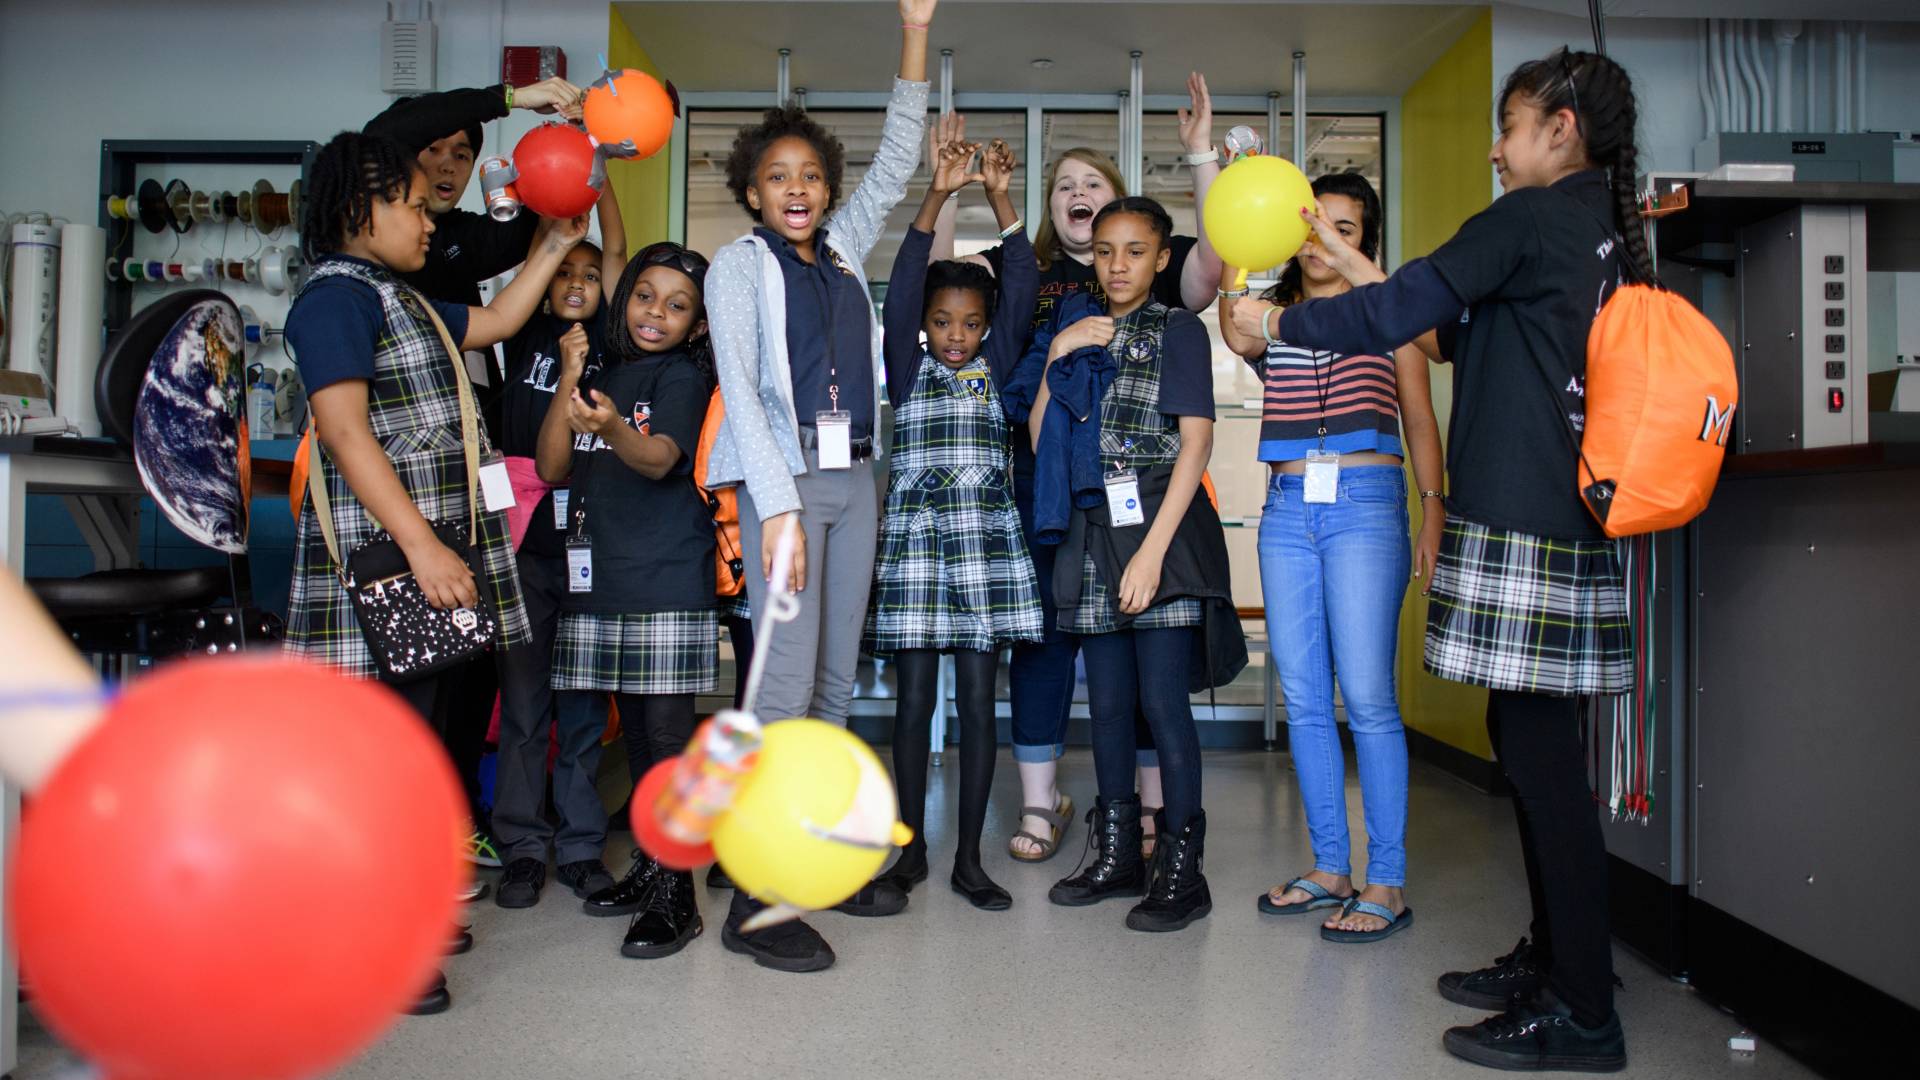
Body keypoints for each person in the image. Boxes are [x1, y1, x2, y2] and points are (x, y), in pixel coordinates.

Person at [1270, 47, 1640, 1071]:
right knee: (1531, 751)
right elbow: (1443, 333)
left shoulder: (1529, 217)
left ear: (1559, 126)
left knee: (1541, 765)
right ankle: (1560, 963)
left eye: (1511, 123)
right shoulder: (1595, 229)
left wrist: (1283, 320)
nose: (1495, 144)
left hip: (1528, 522)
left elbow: (1398, 320)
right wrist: (1357, 273)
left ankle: (1584, 1015)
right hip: (1556, 520)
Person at [283, 130, 588, 1013]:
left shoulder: (400, 295)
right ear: (357, 212)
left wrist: (557, 245)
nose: (430, 219)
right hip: (391, 564)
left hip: (430, 560)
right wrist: (421, 543)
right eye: (414, 206)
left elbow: (492, 321)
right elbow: (343, 431)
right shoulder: (337, 300)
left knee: (424, 742)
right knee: (385, 754)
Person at [702, 0, 938, 973]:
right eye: (777, 177)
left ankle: (806, 853)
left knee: (838, 681)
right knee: (783, 681)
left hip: (857, 478)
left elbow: (900, 154)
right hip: (783, 483)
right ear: (753, 192)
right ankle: (752, 888)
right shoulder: (737, 266)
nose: (797, 189)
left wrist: (915, 31)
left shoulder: (841, 250)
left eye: (811, 177)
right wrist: (782, 511)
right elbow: (747, 396)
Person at [934, 78, 1223, 864]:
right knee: (1071, 663)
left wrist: (1203, 156)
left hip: (1148, 509)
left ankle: (1162, 843)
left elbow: (1209, 286)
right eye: (1063, 185)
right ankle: (1084, 826)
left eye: (1091, 184)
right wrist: (952, 197)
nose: (1077, 194)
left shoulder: (1161, 305)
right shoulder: (1030, 277)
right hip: (1059, 505)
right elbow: (943, 306)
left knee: (1151, 692)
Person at [364, 73, 587, 872]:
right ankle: (401, 839)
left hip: (473, 462)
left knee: (468, 654)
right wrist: (513, 98)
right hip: (397, 480)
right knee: (410, 670)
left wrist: (584, 141)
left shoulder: (459, 240)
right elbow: (400, 122)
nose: (450, 163)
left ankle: (457, 815)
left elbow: (548, 230)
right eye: (435, 151)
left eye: (465, 153)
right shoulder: (358, 276)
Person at [1216, 172, 1444, 943]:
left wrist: (1433, 513)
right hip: (1286, 513)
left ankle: (1388, 880)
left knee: (1369, 699)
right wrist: (1218, 176)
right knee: (1307, 699)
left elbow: (1418, 416)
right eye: (1311, 227)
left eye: (1341, 227)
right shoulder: (1270, 321)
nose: (1322, 241)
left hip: (1366, 510)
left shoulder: (1391, 317)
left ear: (1364, 241)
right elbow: (1233, 325)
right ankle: (1330, 868)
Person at [1028, 197, 1241, 933]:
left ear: (1160, 259)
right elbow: (1040, 439)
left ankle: (1182, 870)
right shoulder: (1078, 329)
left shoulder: (1178, 330)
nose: (1118, 265)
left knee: (1162, 704)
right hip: (1092, 532)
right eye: (1106, 251)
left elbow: (1197, 444)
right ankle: (1118, 854)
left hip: (1160, 531)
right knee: (1109, 708)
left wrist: (1153, 554)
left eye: (1135, 251)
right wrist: (1059, 355)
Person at [870, 130, 1040, 912]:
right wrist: (938, 193)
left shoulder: (995, 366)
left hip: (981, 549)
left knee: (978, 704)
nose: (956, 335)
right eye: (943, 322)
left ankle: (970, 858)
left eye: (970, 323)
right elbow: (903, 283)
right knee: (911, 705)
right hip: (915, 546)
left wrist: (1003, 200)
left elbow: (1027, 285)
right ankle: (907, 853)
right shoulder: (904, 367)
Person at [532, 242, 718, 959]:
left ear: (697, 325)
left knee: (668, 743)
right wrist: (571, 381)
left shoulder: (681, 376)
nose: (656, 314)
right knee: (636, 739)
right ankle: (650, 863)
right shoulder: (601, 371)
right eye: (646, 296)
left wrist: (610, 424)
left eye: (677, 306)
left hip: (666, 574)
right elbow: (552, 465)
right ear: (625, 298)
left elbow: (661, 458)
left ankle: (680, 895)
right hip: (603, 574)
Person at [491, 190, 628, 911]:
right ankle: (520, 845)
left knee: (581, 702)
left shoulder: (611, 338)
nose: (577, 282)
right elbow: (543, 246)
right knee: (523, 701)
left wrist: (599, 182)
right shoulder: (519, 334)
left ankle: (579, 845)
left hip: (588, 545)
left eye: (589, 274)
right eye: (562, 272)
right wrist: (557, 201)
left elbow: (614, 251)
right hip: (521, 544)